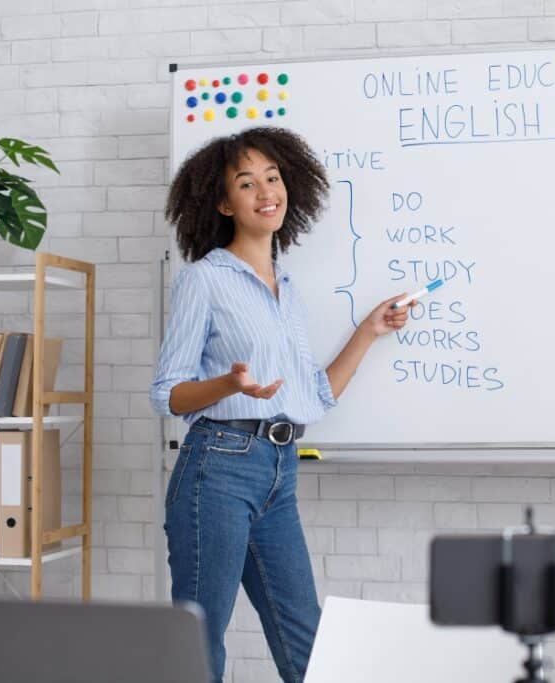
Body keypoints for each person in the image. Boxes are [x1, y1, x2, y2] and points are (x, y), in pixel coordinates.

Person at [149, 127, 410, 683]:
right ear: (224, 203)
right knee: (199, 637)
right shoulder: (204, 280)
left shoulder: (285, 288)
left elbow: (313, 395)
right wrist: (228, 385)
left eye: (272, 177)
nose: (266, 191)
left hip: (278, 473)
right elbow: (168, 394)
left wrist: (368, 330)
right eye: (247, 183)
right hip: (217, 469)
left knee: (305, 636)